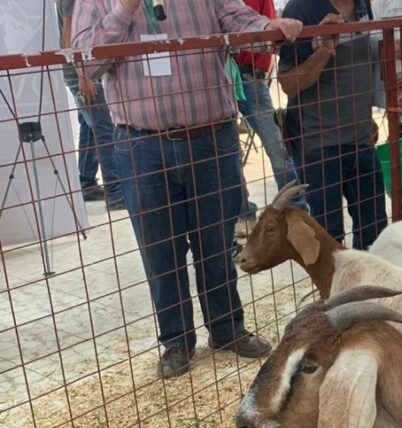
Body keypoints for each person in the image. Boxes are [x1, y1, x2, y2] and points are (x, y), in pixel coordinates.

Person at [73, 0, 302, 378]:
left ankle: (227, 328)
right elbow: (86, 63)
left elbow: (239, 18)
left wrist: (274, 26)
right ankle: (176, 341)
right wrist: (124, 9)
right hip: (141, 145)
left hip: (210, 138)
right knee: (160, 250)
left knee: (216, 242)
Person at [278, 0, 388, 249]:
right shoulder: (301, 10)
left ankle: (369, 287)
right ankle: (334, 289)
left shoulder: (362, 5)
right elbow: (287, 84)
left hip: (361, 140)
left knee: (375, 236)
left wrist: (366, 115)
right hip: (318, 145)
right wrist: (324, 49)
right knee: (328, 240)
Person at [234, 0, 303, 238]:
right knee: (228, 152)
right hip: (222, 75)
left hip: (249, 74)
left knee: (277, 146)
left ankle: (296, 209)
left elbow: (270, 34)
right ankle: (243, 213)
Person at [57, 0, 124, 210]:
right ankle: (115, 193)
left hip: (79, 69)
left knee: (89, 124)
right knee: (103, 127)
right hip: (79, 71)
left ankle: (86, 182)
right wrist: (82, 74)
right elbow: (68, 32)